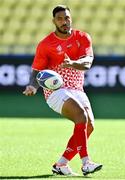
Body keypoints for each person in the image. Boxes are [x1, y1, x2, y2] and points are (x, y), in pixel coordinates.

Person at [23, 5, 102, 176]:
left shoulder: (83, 37)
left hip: (77, 88)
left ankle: (61, 164)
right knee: (81, 116)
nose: (64, 21)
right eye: (60, 18)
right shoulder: (45, 44)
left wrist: (72, 63)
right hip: (56, 91)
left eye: (67, 18)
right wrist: (32, 85)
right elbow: (37, 70)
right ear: (54, 21)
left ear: (70, 18)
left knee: (89, 126)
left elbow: (87, 63)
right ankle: (86, 162)